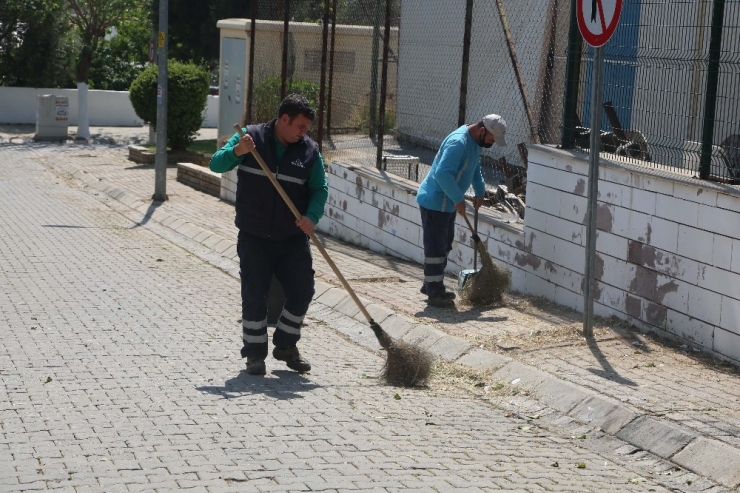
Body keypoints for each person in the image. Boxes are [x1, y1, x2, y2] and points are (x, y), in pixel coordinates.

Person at [209, 94, 328, 375]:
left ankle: (286, 345)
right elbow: (216, 164)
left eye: (307, 127)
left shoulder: (310, 152)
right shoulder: (250, 138)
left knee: (302, 291)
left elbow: (319, 189)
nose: (304, 132)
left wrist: (312, 216)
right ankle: (254, 355)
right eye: (300, 125)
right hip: (255, 236)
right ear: (284, 119)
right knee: (254, 295)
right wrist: (237, 152)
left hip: (292, 239)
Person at [415, 114, 508, 307]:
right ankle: (434, 292)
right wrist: (458, 198)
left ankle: (430, 284)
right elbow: (442, 173)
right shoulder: (458, 143)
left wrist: (480, 191)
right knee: (436, 247)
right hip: (436, 202)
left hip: (446, 203)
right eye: (491, 140)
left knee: (445, 244)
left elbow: (474, 168)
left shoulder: (475, 143)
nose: (491, 144)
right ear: (482, 130)